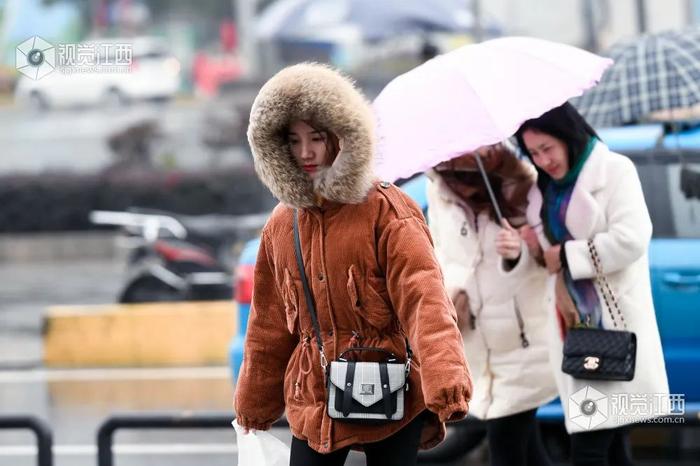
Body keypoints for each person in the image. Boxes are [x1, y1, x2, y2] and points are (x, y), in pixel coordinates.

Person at [233, 63, 472, 466]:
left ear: (342, 136)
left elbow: (423, 297)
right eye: (293, 140)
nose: (306, 152)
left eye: (316, 137)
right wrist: (253, 405)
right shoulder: (282, 223)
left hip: (390, 390)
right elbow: (268, 324)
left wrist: (446, 378)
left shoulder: (387, 210)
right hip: (314, 396)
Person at [514, 102, 669, 466]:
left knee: (590, 446)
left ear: (568, 136)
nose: (543, 161)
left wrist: (568, 255)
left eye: (547, 149)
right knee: (610, 447)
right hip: (571, 325)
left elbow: (633, 238)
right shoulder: (544, 190)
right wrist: (535, 247)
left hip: (610, 326)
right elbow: (548, 259)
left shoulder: (614, 171)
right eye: (533, 153)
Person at [427, 143, 557, 466]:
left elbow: (547, 254)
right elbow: (440, 251)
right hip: (475, 334)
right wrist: (453, 290)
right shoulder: (438, 187)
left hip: (520, 335)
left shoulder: (520, 182)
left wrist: (517, 253)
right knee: (524, 446)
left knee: (506, 443)